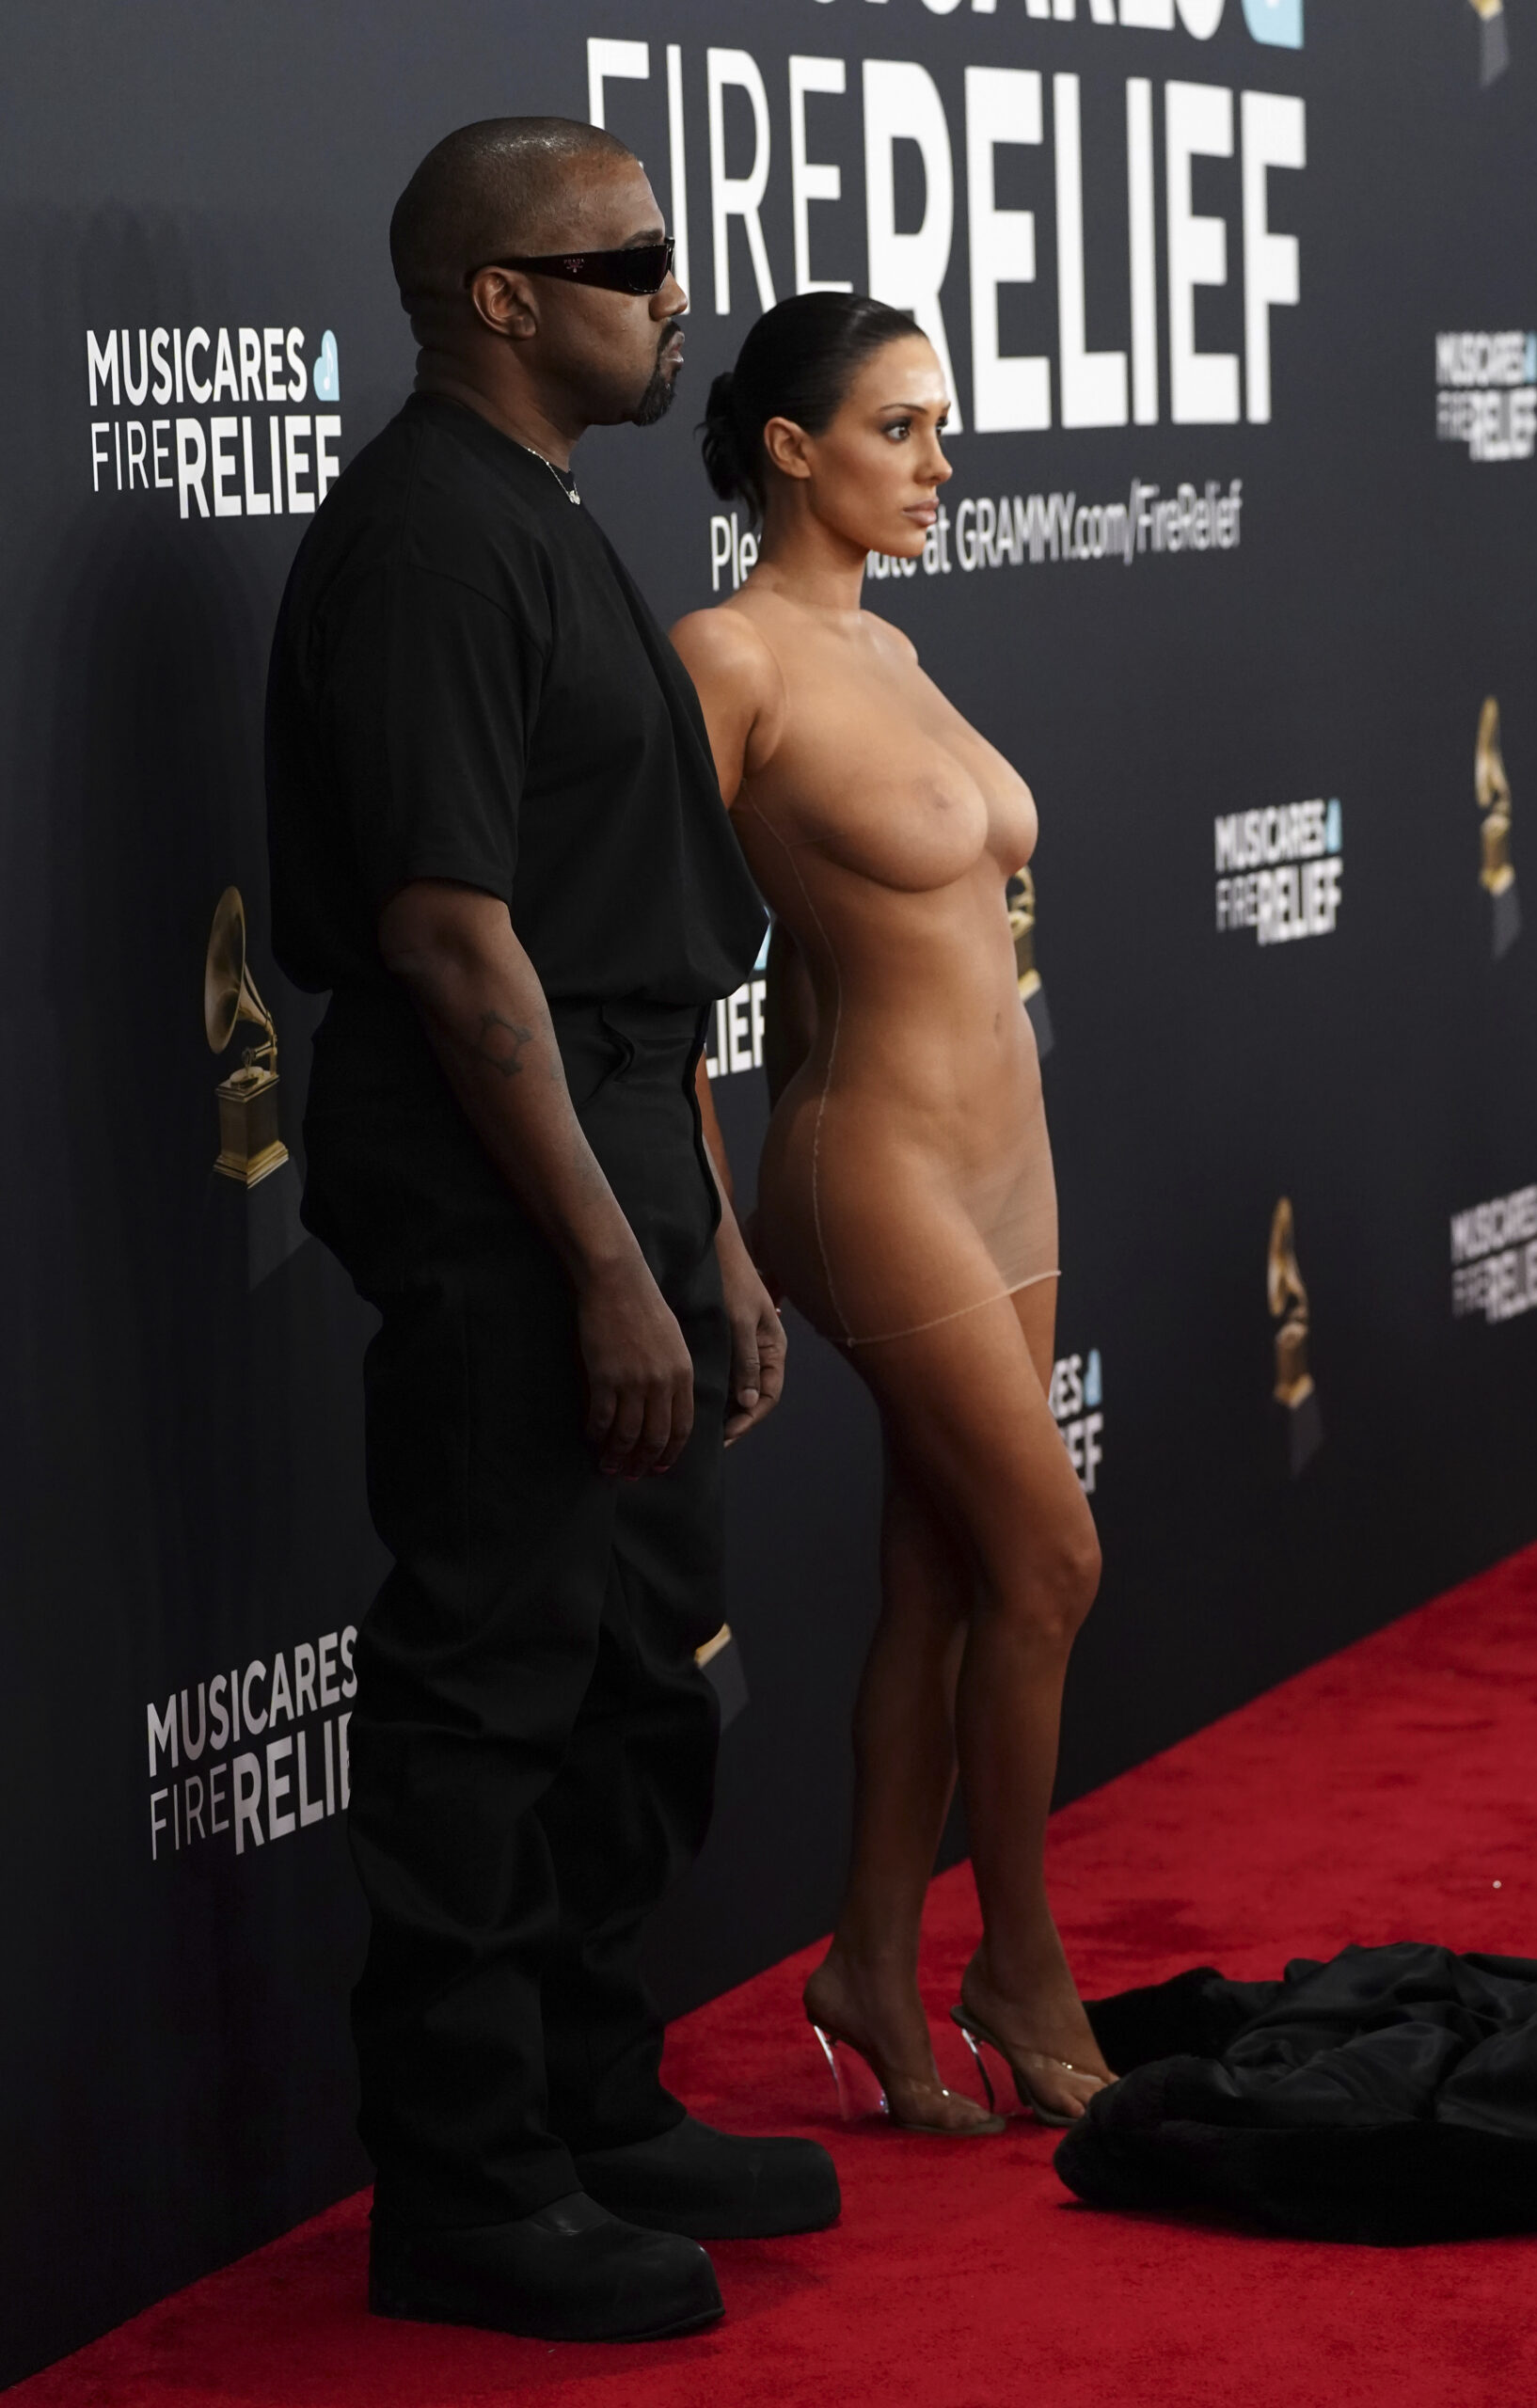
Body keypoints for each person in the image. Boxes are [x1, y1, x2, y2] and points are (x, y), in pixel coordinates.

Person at [264, 119, 837, 2345]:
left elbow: (617, 937)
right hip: (503, 1176)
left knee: (629, 1667)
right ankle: (470, 2185)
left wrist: (702, 1227)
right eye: (624, 260)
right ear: (496, 298)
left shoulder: (548, 517)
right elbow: (450, 936)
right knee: (494, 1678)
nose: (671, 292)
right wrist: (609, 1257)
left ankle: (594, 2096)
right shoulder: (425, 538)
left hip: (614, 1143)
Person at [672, 294, 1111, 2137]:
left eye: (939, 428)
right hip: (871, 1168)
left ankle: (866, 1952)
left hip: (1006, 1157)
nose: (938, 464)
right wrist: (698, 1232)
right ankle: (1013, 1962)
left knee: (940, 1576)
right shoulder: (724, 657)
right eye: (897, 429)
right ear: (789, 446)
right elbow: (648, 972)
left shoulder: (896, 640)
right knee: (1049, 1562)